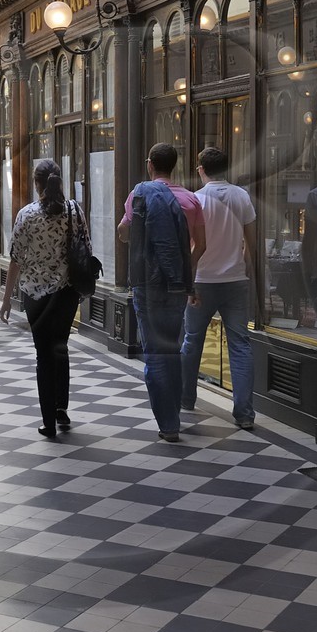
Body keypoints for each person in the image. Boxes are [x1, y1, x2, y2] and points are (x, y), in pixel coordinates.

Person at [118, 143, 204, 443]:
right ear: (175, 166)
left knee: (155, 351)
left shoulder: (139, 194)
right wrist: (181, 270)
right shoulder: (191, 200)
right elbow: (200, 244)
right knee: (173, 347)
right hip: (178, 286)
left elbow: (124, 232)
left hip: (147, 284)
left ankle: (168, 424)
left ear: (149, 164)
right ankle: (175, 416)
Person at [0, 159, 87, 439]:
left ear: (37, 184)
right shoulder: (74, 210)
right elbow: (86, 247)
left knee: (43, 355)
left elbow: (15, 259)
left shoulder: (26, 215)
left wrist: (6, 299)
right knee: (60, 348)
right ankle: (61, 409)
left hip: (35, 295)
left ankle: (48, 421)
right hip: (66, 294)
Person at [180, 146, 259, 429]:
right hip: (236, 280)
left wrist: (187, 280)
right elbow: (252, 240)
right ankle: (245, 414)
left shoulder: (195, 200)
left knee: (192, 341)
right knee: (240, 346)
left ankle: (187, 398)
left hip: (202, 280)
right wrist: (248, 269)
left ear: (201, 169)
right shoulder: (242, 196)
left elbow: (190, 243)